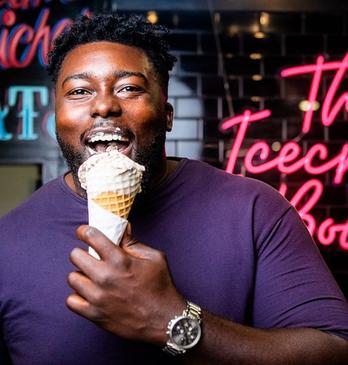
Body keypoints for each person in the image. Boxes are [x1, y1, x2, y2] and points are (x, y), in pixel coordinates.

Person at [0, 13, 347, 365]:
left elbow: (335, 350)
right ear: (56, 117)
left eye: (129, 88)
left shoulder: (255, 211)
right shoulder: (7, 241)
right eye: (79, 91)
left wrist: (170, 320)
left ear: (166, 114)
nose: (104, 105)